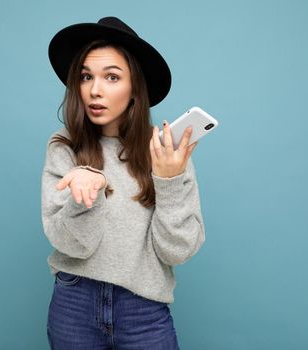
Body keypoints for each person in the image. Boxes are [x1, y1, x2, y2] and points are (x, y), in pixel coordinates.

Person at [42, 16, 205, 349]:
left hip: (143, 308)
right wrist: (88, 190)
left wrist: (169, 180)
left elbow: (178, 251)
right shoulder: (64, 146)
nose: (95, 90)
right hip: (75, 303)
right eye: (86, 76)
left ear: (135, 89)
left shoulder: (165, 150)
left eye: (112, 77)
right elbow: (73, 245)